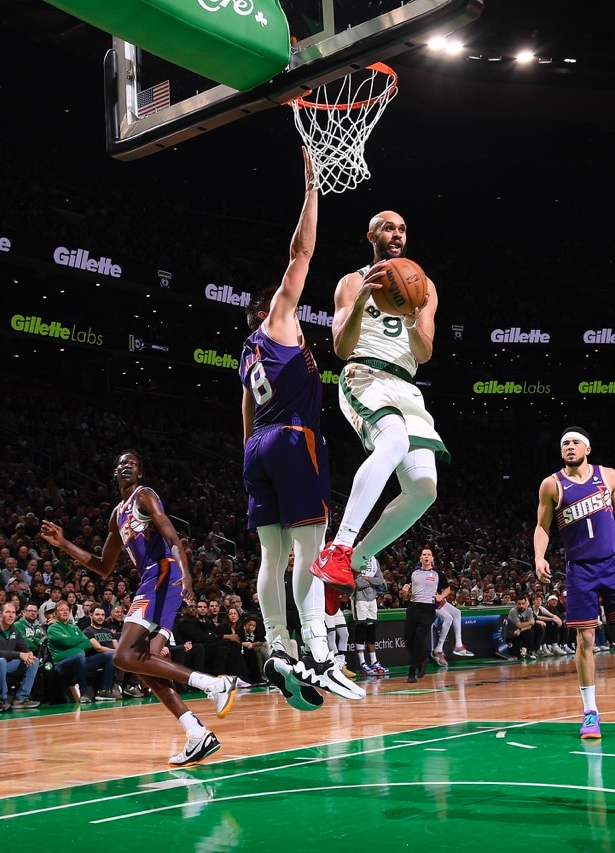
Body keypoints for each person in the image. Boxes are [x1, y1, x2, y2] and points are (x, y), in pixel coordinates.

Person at [238, 150, 362, 708]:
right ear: (269, 307)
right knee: (309, 550)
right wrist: (312, 188)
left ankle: (278, 645)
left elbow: (244, 411)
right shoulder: (278, 320)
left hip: (258, 447)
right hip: (292, 438)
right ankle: (317, 650)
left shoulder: (246, 353)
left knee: (272, 555)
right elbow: (302, 251)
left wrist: (251, 456)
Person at [39, 449, 236, 768]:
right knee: (144, 664)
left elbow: (170, 531)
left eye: (131, 464)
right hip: (151, 580)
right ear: (114, 475)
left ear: (140, 473)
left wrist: (185, 572)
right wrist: (64, 545)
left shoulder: (144, 496)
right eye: (120, 465)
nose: (125, 467)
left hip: (163, 573)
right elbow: (103, 566)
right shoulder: (117, 516)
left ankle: (213, 684)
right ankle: (196, 732)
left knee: (122, 656)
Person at [310, 208, 447, 604]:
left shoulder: (424, 287)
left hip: (406, 385)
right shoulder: (351, 282)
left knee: (424, 489)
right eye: (389, 227)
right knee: (393, 443)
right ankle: (339, 546)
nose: (398, 234)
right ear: (371, 236)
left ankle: (357, 560)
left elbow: (423, 353)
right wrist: (363, 299)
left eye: (403, 228)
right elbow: (340, 347)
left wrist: (414, 316)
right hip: (364, 375)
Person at [534, 427, 615, 738]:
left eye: (575, 442)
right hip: (580, 569)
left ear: (587, 448)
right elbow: (542, 526)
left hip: (613, 565)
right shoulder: (551, 485)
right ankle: (590, 711)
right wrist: (539, 556)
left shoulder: (608, 476)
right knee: (586, 641)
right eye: (564, 443)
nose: (569, 447)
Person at [401, 549, 443, 683]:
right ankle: (423, 657)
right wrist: (405, 592)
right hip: (413, 608)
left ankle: (412, 671)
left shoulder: (437, 574)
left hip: (428, 609)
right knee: (408, 640)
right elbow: (406, 594)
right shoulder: (413, 573)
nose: (426, 557)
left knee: (419, 639)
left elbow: (447, 588)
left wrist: (441, 596)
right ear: (420, 558)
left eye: (428, 555)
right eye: (424, 555)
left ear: (432, 558)